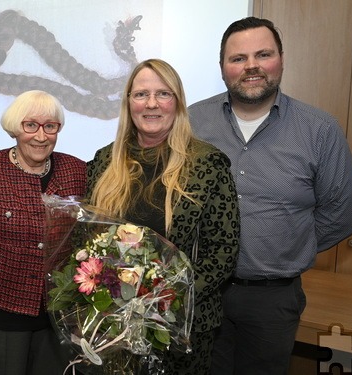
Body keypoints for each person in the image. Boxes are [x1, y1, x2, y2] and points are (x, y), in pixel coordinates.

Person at [188, 17, 352, 375]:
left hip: (273, 299)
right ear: (222, 67)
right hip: (203, 291)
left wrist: (290, 245)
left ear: (281, 59)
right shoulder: (192, 123)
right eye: (238, 58)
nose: (250, 66)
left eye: (263, 54)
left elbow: (343, 213)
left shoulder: (320, 130)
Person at [86, 59, 240, 374]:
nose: (152, 103)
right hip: (113, 321)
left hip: (185, 325)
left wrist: (165, 298)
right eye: (141, 94)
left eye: (163, 94)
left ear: (178, 103)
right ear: (129, 103)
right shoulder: (104, 162)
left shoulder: (207, 164)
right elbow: (89, 240)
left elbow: (223, 252)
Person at [0, 90, 86, 375]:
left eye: (50, 126)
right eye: (31, 125)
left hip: (58, 319)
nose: (41, 136)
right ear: (15, 128)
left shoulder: (76, 170)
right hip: (1, 319)